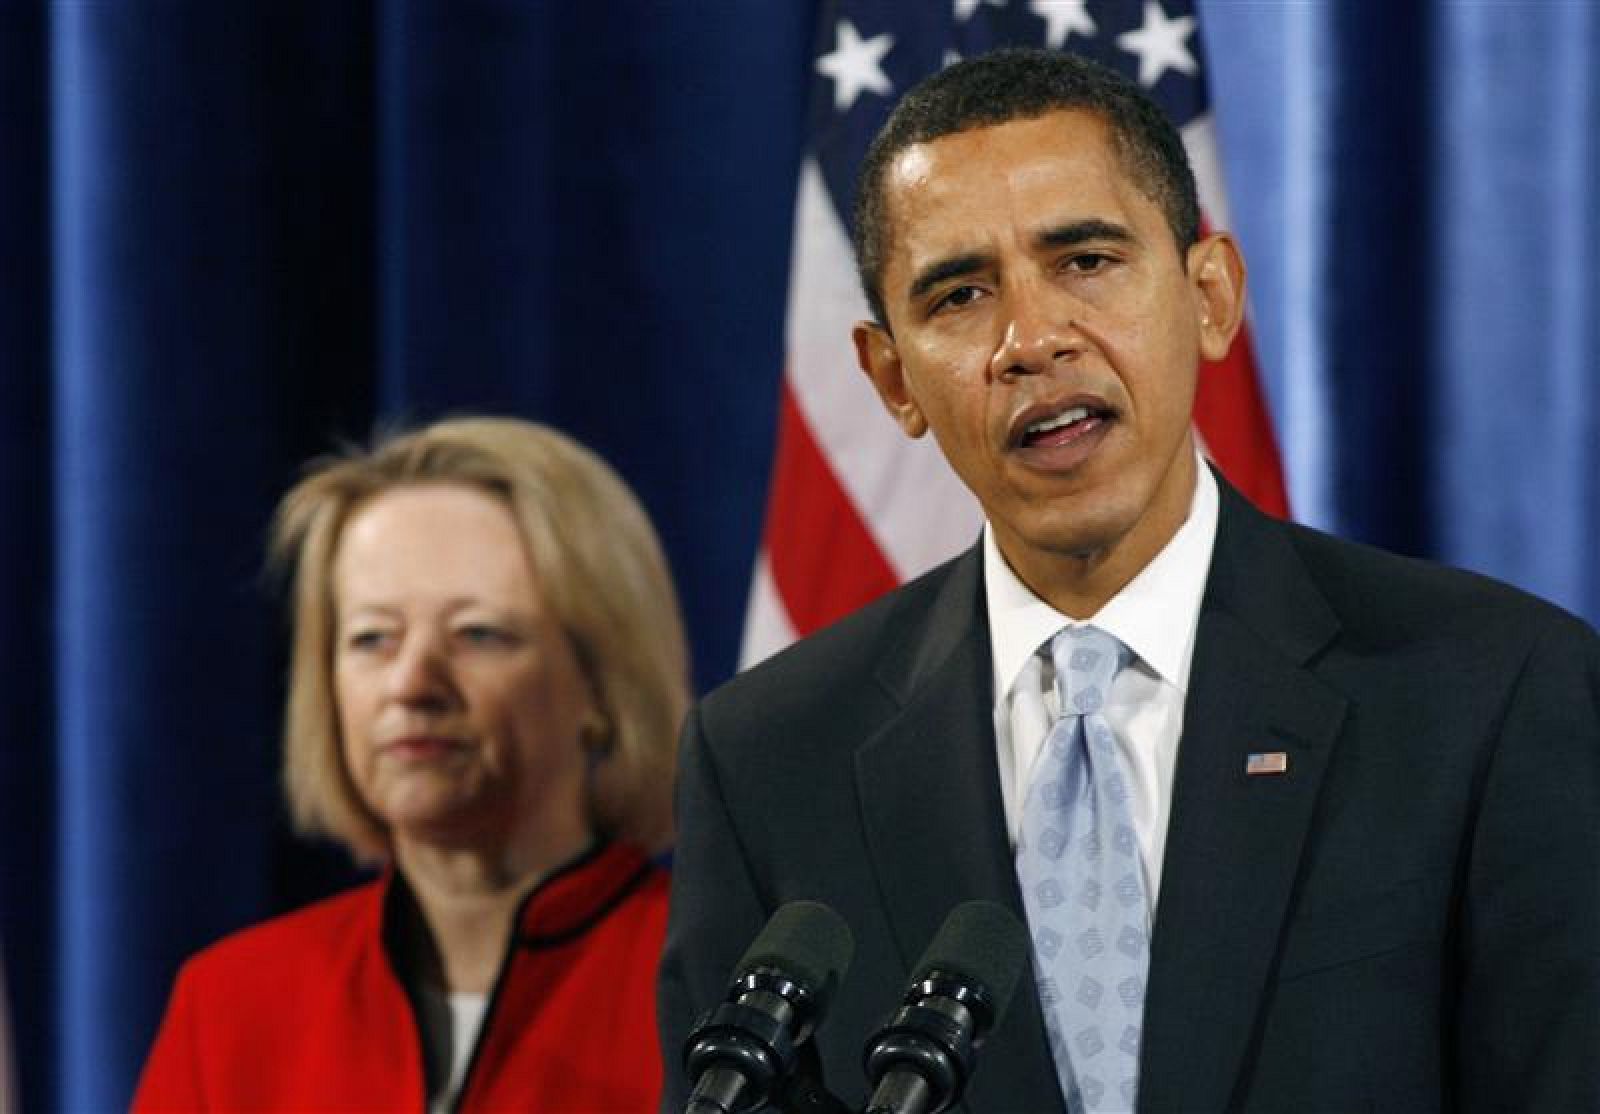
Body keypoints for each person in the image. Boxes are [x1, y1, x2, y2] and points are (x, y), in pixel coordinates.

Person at [659, 48, 1600, 1113]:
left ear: (1211, 296)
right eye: (960, 293)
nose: (1031, 339)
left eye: (1085, 261)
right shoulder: (770, 759)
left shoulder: (1487, 692)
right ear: (891, 377)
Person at [135, 417, 689, 1112]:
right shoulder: (231, 1004)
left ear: (602, 685)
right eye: (373, 638)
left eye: (476, 634)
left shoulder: (714, 987)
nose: (411, 683)